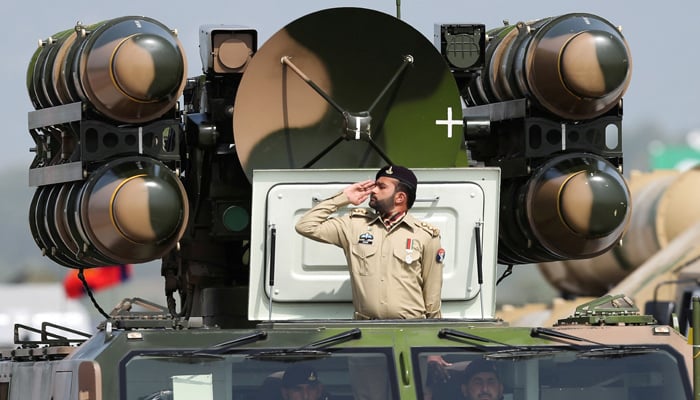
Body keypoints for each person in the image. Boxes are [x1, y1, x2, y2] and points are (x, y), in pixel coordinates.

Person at [295, 165, 444, 319]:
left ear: (400, 197)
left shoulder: (425, 235)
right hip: (366, 330)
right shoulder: (354, 225)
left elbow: (432, 292)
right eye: (374, 185)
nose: (373, 190)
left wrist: (433, 331)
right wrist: (343, 198)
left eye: (381, 187)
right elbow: (305, 226)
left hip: (411, 329)